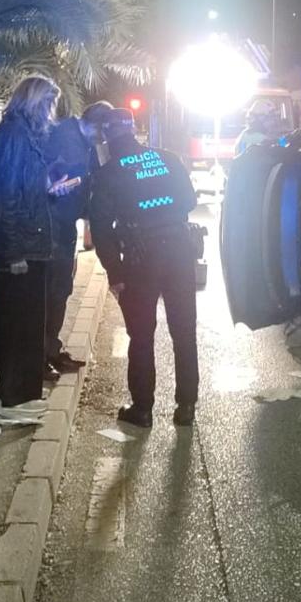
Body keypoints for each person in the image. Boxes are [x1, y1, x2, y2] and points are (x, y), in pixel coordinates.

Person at [89, 108, 200, 428]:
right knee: (184, 330)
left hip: (141, 259)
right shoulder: (168, 158)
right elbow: (189, 202)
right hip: (179, 252)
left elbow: (101, 229)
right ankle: (186, 407)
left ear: (108, 136)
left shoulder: (109, 172)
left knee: (141, 335)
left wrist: (115, 272)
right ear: (135, 129)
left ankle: (143, 409)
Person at [0, 76, 76, 406]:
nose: (50, 111)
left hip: (29, 242)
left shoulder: (25, 135)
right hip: (17, 246)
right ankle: (16, 392)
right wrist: (15, 252)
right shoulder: (13, 136)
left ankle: (25, 392)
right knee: (17, 321)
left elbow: (25, 190)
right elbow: (4, 199)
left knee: (29, 320)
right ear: (31, 102)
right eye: (46, 103)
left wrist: (51, 190)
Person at [41, 102, 111, 378]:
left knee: (61, 292)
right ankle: (40, 357)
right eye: (102, 133)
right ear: (93, 124)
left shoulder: (85, 142)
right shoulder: (63, 137)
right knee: (49, 295)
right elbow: (51, 179)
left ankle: (52, 351)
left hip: (65, 227)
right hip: (51, 228)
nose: (102, 139)